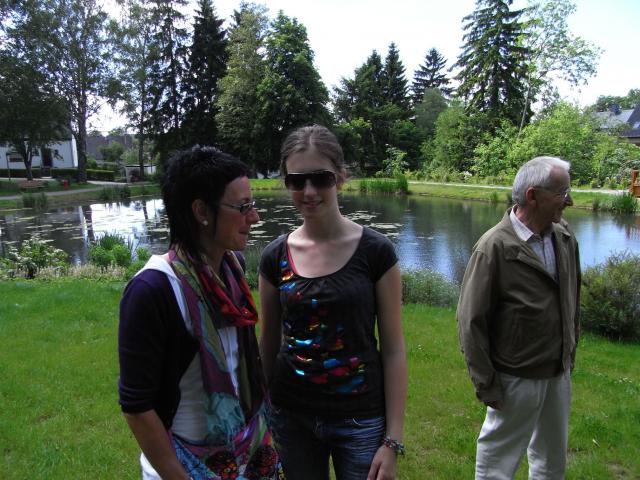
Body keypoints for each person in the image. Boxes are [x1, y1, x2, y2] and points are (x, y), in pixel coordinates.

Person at [118, 146, 282, 480]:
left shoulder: (231, 269)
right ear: (201, 211)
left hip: (246, 452)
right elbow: (137, 407)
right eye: (243, 206)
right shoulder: (153, 290)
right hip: (186, 465)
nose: (254, 217)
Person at [258, 125, 407, 480]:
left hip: (360, 419)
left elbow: (394, 350)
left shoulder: (377, 252)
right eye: (297, 180)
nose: (308, 191)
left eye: (320, 178)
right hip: (290, 415)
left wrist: (393, 439)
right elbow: (268, 342)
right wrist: (259, 413)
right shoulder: (274, 256)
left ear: (340, 178)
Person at [457, 156, 581, 480]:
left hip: (558, 371)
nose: (569, 200)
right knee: (498, 463)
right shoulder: (493, 247)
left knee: (552, 460)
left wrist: (570, 350)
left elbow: (572, 298)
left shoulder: (565, 237)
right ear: (532, 196)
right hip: (515, 378)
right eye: (562, 192)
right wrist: (486, 384)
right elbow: (470, 322)